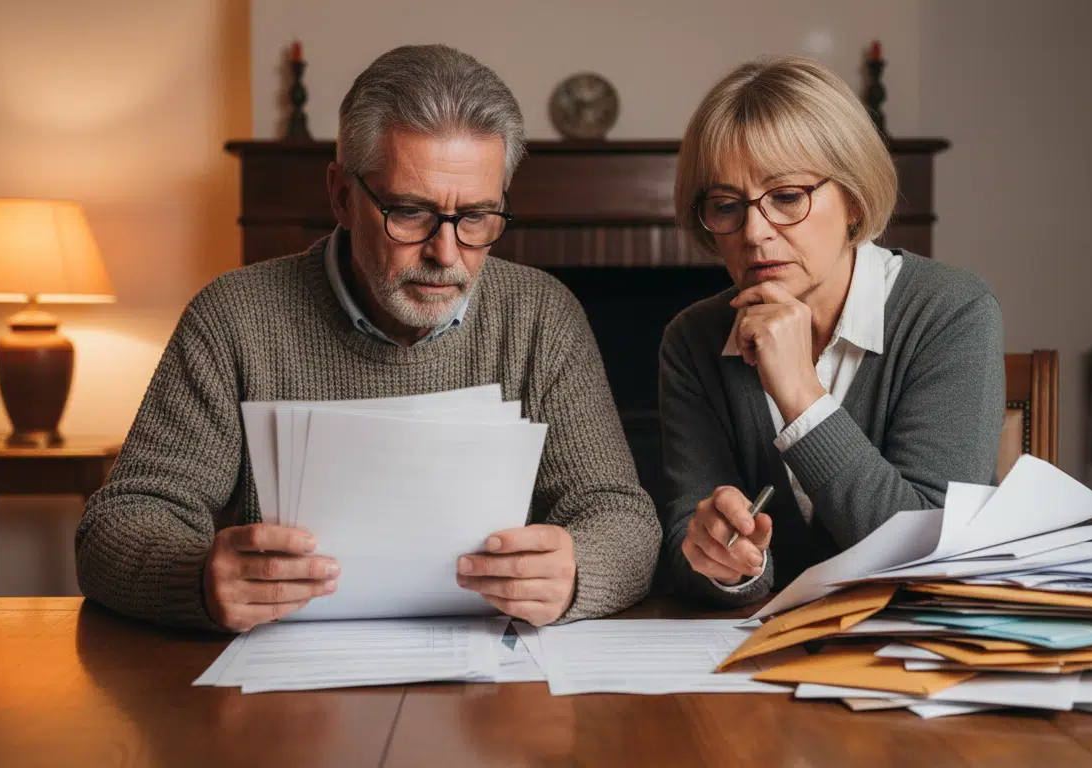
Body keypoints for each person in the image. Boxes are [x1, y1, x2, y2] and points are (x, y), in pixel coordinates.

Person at [76, 44, 660, 632]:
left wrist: (577, 572)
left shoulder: (541, 316)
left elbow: (623, 517)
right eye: (410, 212)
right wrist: (198, 578)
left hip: (496, 686)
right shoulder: (234, 317)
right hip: (286, 692)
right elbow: (120, 523)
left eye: (478, 217)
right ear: (341, 197)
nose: (446, 253)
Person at [659, 55, 1004, 605]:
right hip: (749, 657)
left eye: (788, 197)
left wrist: (800, 395)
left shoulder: (950, 311)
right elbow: (687, 539)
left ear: (854, 199)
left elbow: (928, 557)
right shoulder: (693, 339)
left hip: (910, 653)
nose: (753, 232)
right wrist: (726, 565)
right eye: (727, 206)